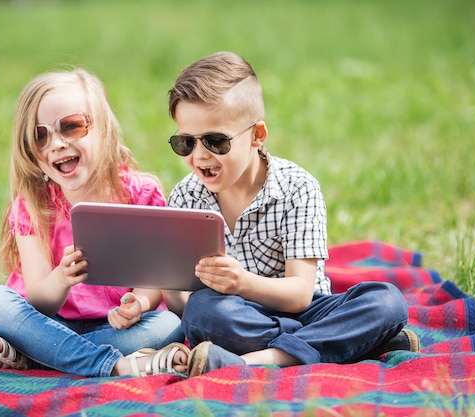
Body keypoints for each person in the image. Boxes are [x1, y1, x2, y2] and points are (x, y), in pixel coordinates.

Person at [162, 52, 420, 377]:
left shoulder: (297, 188)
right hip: (237, 315)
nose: (199, 155)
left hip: (310, 311)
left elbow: (300, 295)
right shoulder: (186, 196)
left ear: (257, 135)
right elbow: (184, 307)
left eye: (215, 141)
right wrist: (166, 285)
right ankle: (353, 345)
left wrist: (241, 282)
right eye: (186, 142)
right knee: (202, 312)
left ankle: (253, 362)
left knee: (387, 302)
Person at [0, 68, 189, 378]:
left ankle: (36, 355)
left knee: (169, 325)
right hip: (50, 322)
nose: (57, 144)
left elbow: (152, 282)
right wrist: (61, 278)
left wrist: (138, 305)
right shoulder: (32, 205)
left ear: (104, 129)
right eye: (40, 135)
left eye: (72, 126)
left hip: (115, 326)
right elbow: (37, 303)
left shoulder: (140, 194)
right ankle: (115, 366)